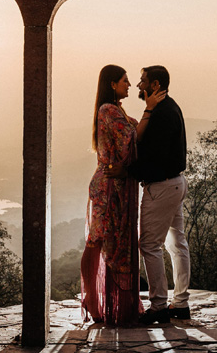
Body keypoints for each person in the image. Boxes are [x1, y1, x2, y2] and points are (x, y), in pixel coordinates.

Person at [80, 65, 165, 326]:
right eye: (125, 81)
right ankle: (94, 303)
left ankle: (107, 303)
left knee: (113, 244)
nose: (129, 85)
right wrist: (149, 109)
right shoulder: (108, 110)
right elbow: (130, 140)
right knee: (100, 242)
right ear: (112, 83)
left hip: (117, 185)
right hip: (109, 188)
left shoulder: (116, 109)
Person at [126, 65, 192, 325]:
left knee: (149, 246)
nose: (139, 86)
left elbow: (149, 151)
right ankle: (182, 303)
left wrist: (128, 170)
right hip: (176, 183)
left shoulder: (160, 113)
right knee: (177, 244)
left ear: (154, 85)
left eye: (143, 81)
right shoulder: (172, 106)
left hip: (162, 186)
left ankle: (159, 307)